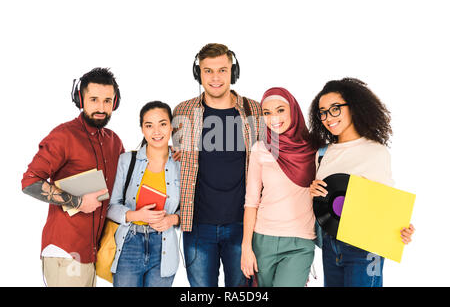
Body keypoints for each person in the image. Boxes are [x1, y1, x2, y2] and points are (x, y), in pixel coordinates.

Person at [21, 67, 124, 287]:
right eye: (94, 99)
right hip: (65, 251)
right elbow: (30, 182)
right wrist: (77, 202)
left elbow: (130, 176)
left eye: (107, 101)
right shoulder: (63, 136)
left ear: (115, 103)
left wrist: (163, 151)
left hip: (91, 253)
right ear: (80, 99)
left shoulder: (114, 141)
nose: (101, 107)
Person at [308, 77, 415, 287]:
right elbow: (323, 205)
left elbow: (387, 206)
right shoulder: (322, 154)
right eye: (323, 112)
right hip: (331, 245)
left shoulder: (376, 152)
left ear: (353, 107)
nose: (328, 117)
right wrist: (313, 190)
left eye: (335, 109)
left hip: (366, 246)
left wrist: (401, 230)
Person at [172, 43, 262, 287]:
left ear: (233, 72)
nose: (215, 77)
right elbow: (170, 159)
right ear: (198, 73)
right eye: (208, 70)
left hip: (242, 225)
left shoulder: (254, 110)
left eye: (222, 70)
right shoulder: (183, 111)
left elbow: (270, 163)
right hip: (197, 225)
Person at [241, 87, 317, 287]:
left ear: (293, 109)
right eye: (267, 113)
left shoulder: (315, 149)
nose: (273, 117)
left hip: (300, 241)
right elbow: (251, 202)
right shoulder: (260, 149)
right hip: (262, 239)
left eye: (280, 110)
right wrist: (246, 248)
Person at [107, 101, 180, 287]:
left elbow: (193, 209)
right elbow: (110, 206)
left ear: (171, 126)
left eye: (162, 124)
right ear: (142, 129)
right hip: (129, 243)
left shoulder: (182, 164)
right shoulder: (126, 160)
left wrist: (172, 220)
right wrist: (136, 215)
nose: (156, 131)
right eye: (149, 125)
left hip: (164, 247)